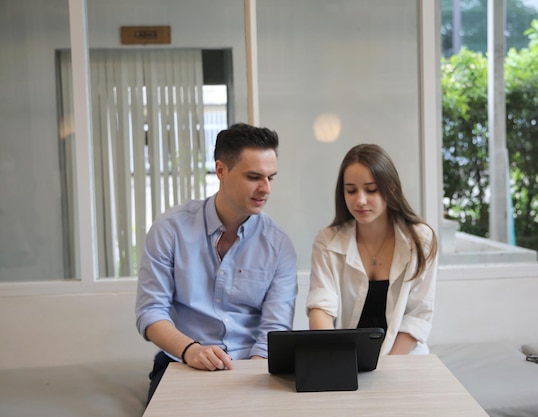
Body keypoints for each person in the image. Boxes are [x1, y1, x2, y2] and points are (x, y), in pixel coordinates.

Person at [135, 123, 297, 402]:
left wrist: (251, 387)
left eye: (271, 177)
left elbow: (275, 329)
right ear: (221, 170)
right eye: (254, 177)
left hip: (253, 365)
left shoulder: (278, 243)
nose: (265, 189)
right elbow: (151, 313)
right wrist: (192, 350)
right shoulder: (170, 230)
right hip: (181, 361)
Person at [307, 143, 438, 355]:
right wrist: (337, 359)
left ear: (391, 188)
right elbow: (321, 307)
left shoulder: (421, 240)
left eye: (371, 190)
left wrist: (386, 368)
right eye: (351, 190)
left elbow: (418, 315)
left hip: (405, 357)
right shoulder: (327, 241)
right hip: (346, 356)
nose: (360, 200)